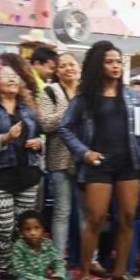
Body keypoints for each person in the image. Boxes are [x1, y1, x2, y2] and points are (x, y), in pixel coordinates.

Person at [59, 41, 140, 280]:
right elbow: (65, 128)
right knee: (95, 220)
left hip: (128, 163)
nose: (115, 66)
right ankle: (84, 277)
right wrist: (84, 153)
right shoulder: (85, 98)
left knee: (127, 218)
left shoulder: (131, 96)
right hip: (98, 164)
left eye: (118, 61)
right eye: (109, 61)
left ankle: (121, 272)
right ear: (97, 64)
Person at [0, 65, 43, 276]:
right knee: (3, 227)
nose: (13, 79)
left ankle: (20, 269)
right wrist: (5, 138)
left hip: (28, 174)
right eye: (6, 77)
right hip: (0, 175)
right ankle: (1, 271)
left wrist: (40, 143)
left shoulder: (28, 108)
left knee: (23, 227)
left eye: (15, 76)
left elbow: (41, 134)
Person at [38, 52, 81, 259]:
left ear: (79, 68)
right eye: (63, 66)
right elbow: (45, 123)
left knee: (86, 212)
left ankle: (91, 258)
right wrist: (69, 111)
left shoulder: (85, 92)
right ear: (57, 70)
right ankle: (58, 260)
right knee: (62, 212)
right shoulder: (50, 91)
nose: (68, 68)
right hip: (59, 159)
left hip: (84, 160)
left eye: (72, 64)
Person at [12, 210, 78, 280]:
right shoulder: (19, 246)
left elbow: (58, 262)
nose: (33, 233)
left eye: (37, 228)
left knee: (69, 275)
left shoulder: (47, 243)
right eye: (28, 229)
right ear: (21, 232)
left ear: (43, 229)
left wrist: (57, 278)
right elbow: (19, 271)